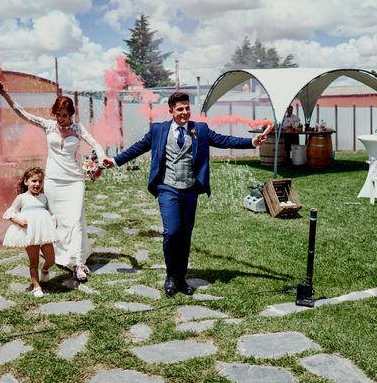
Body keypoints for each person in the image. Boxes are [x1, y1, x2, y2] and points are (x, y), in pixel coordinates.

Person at [103, 92, 267, 296]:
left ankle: (181, 277)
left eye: (187, 108)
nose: (185, 112)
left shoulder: (200, 129)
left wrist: (252, 141)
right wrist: (116, 160)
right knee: (172, 232)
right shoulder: (158, 130)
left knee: (185, 234)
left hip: (190, 189)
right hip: (167, 187)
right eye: (180, 109)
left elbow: (225, 140)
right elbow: (139, 147)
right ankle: (171, 275)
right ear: (171, 110)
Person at [0, 83, 107, 282]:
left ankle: (77, 263)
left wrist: (102, 158)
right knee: (59, 220)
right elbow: (22, 113)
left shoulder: (78, 129)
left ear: (71, 114)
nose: (61, 119)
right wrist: (5, 94)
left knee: (75, 219)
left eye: (64, 115)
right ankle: (60, 254)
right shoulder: (48, 126)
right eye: (58, 115)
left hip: (74, 180)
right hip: (54, 181)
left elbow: (96, 145)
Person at [2, 167, 58, 297]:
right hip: (30, 233)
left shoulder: (44, 198)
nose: (37, 184)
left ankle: (45, 269)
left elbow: (48, 212)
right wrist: (18, 221)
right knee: (34, 260)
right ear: (26, 182)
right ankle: (37, 287)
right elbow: (9, 212)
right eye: (33, 181)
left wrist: (53, 219)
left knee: (51, 259)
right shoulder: (21, 198)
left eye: (39, 181)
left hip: (44, 232)